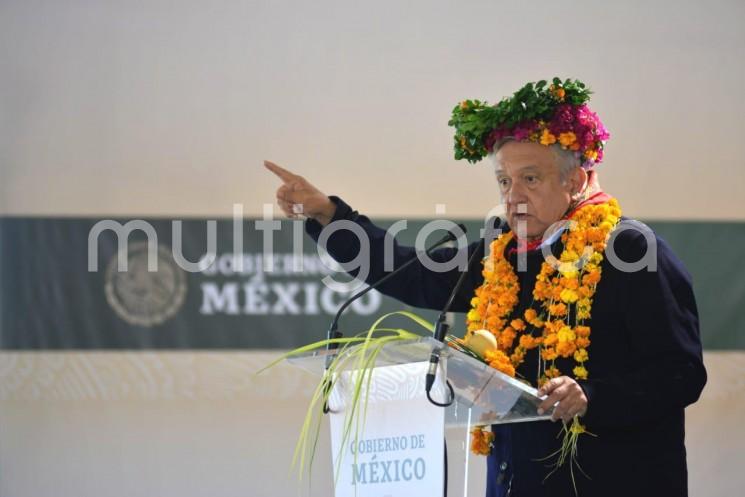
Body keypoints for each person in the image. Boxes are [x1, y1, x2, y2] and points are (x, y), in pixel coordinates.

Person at [265, 77, 707, 497]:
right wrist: (327, 214)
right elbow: (407, 272)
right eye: (503, 180)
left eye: (529, 179)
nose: (511, 195)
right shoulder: (501, 255)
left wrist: (591, 396)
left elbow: (680, 373)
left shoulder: (629, 249)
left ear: (573, 181)